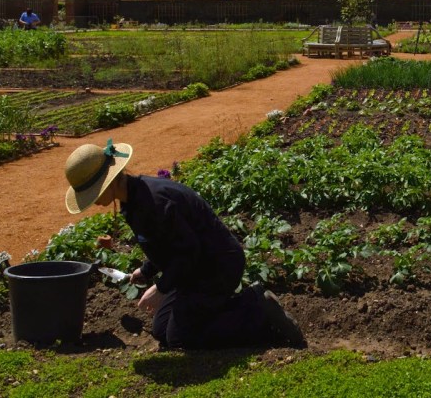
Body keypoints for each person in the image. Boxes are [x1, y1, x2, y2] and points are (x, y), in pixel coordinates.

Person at [63, 140, 304, 349]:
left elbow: (189, 251)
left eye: (94, 193)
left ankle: (256, 309)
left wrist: (161, 287)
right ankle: (222, 312)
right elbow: (166, 244)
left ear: (111, 181)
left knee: (181, 337)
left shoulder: (154, 203)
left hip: (217, 267)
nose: (93, 202)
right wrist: (146, 270)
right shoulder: (133, 200)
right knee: (162, 330)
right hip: (195, 268)